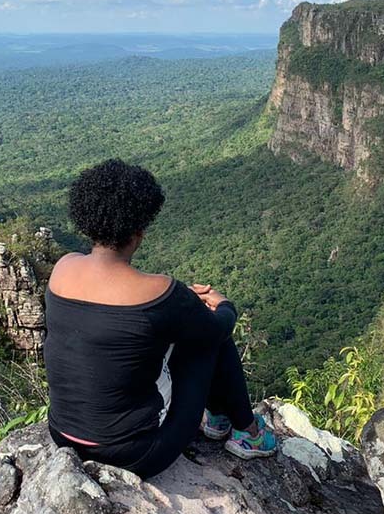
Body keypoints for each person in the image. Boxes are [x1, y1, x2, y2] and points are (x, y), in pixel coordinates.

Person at [44, 158, 276, 479]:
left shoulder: (62, 269)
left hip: (63, 437)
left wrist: (183, 310)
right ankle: (247, 432)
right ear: (138, 233)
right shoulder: (160, 291)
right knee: (209, 340)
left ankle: (222, 418)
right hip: (137, 454)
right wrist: (223, 304)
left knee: (186, 333)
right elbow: (217, 330)